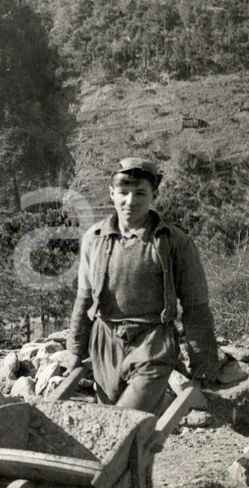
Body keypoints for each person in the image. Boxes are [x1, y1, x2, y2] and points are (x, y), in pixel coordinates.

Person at [66, 157, 220, 414]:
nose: (130, 201)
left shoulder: (175, 243)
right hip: (105, 342)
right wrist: (74, 351)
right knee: (109, 424)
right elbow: (84, 299)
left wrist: (202, 361)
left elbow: (196, 305)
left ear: (154, 195)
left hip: (153, 342)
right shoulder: (94, 239)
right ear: (111, 193)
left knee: (128, 419)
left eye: (140, 193)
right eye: (124, 192)